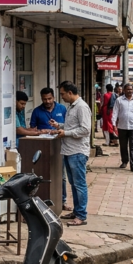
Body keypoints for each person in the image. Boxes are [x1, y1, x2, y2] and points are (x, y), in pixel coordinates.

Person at [51, 81, 91, 227]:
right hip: (68, 150)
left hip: (78, 151)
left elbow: (85, 129)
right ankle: (77, 211)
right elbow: (72, 126)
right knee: (73, 183)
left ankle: (81, 215)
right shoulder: (72, 107)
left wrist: (65, 132)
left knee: (79, 184)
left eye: (62, 94)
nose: (61, 97)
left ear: (69, 92)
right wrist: (58, 126)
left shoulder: (81, 107)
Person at [111, 83, 133, 172]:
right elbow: (115, 112)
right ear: (124, 90)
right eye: (128, 89)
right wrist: (113, 124)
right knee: (123, 146)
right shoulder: (119, 100)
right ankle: (124, 161)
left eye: (131, 89)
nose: (129, 91)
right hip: (122, 127)